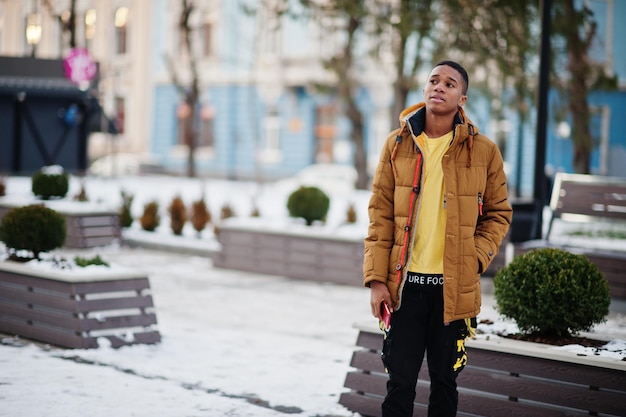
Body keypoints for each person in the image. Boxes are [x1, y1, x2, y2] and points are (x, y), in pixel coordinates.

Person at [363, 60, 512, 417]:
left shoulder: (484, 151)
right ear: (424, 89)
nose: (439, 87)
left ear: (462, 97)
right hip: (404, 290)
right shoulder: (397, 144)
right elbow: (380, 215)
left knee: (445, 385)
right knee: (399, 384)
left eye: (449, 83)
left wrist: (473, 257)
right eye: (433, 80)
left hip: (452, 292)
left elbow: (499, 213)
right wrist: (376, 280)